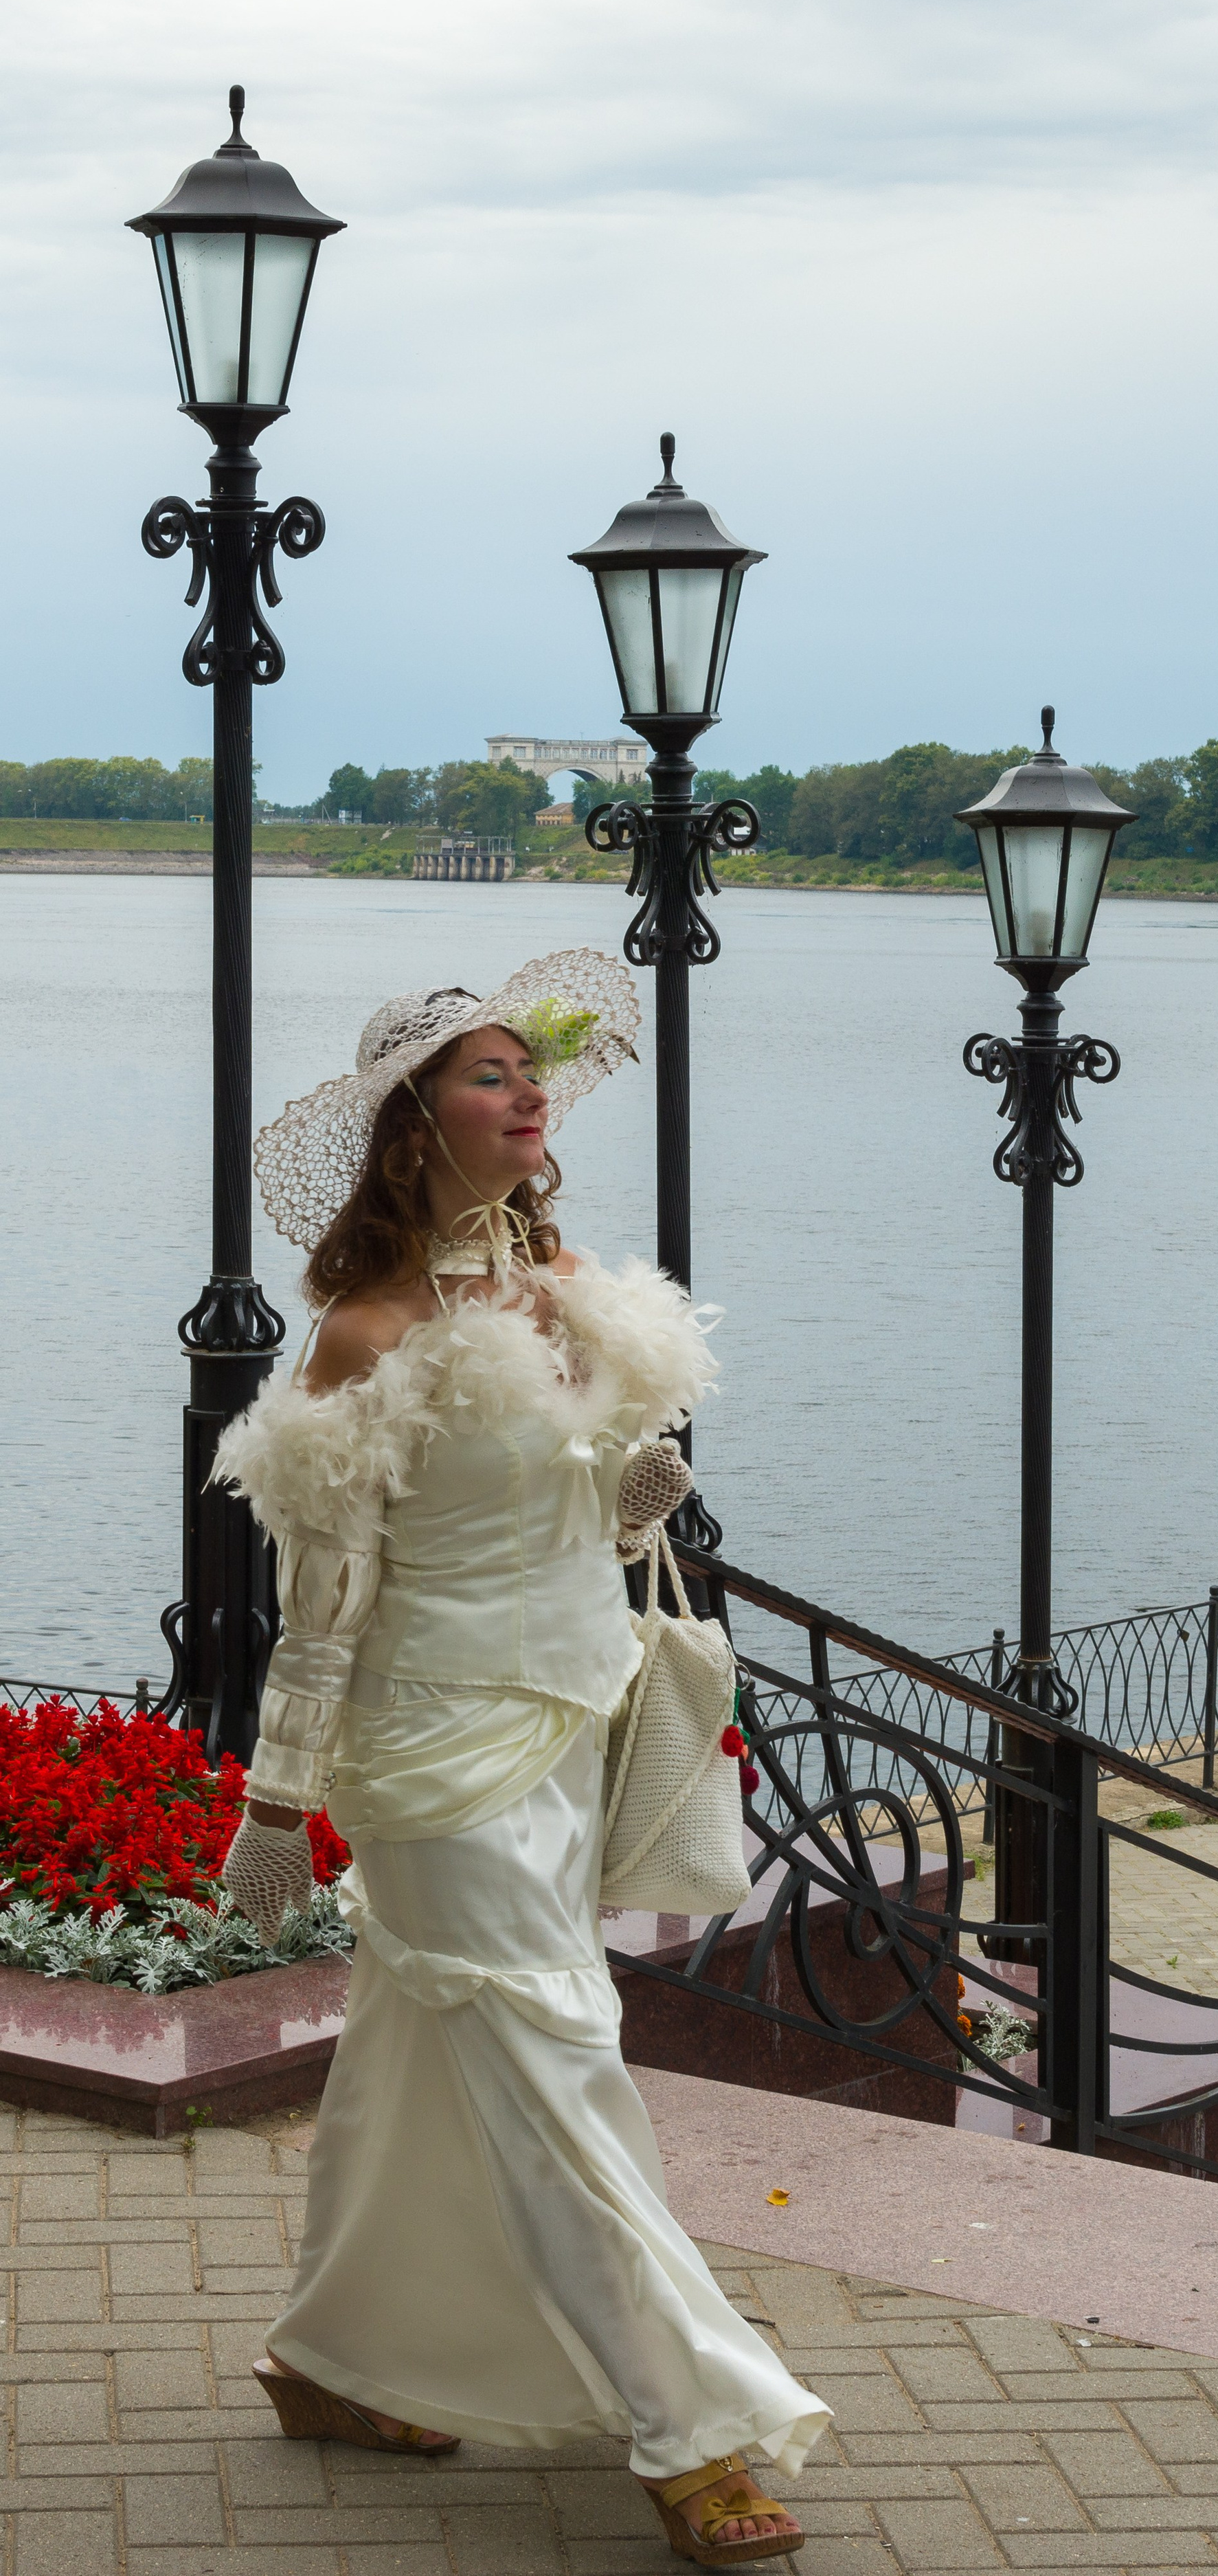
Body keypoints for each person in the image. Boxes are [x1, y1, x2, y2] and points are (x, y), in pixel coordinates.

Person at [212, 950, 828, 2566]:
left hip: (567, 1718)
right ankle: (685, 2428)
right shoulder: (365, 1333)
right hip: (432, 1754)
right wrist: (278, 1802)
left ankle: (328, 2358)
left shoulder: (557, 1289)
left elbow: (603, 1508)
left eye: (524, 1069)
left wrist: (629, 1471)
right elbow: (325, 1602)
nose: (524, 1090)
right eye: (486, 1075)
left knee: (424, 2056)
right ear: (415, 1128)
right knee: (561, 2069)